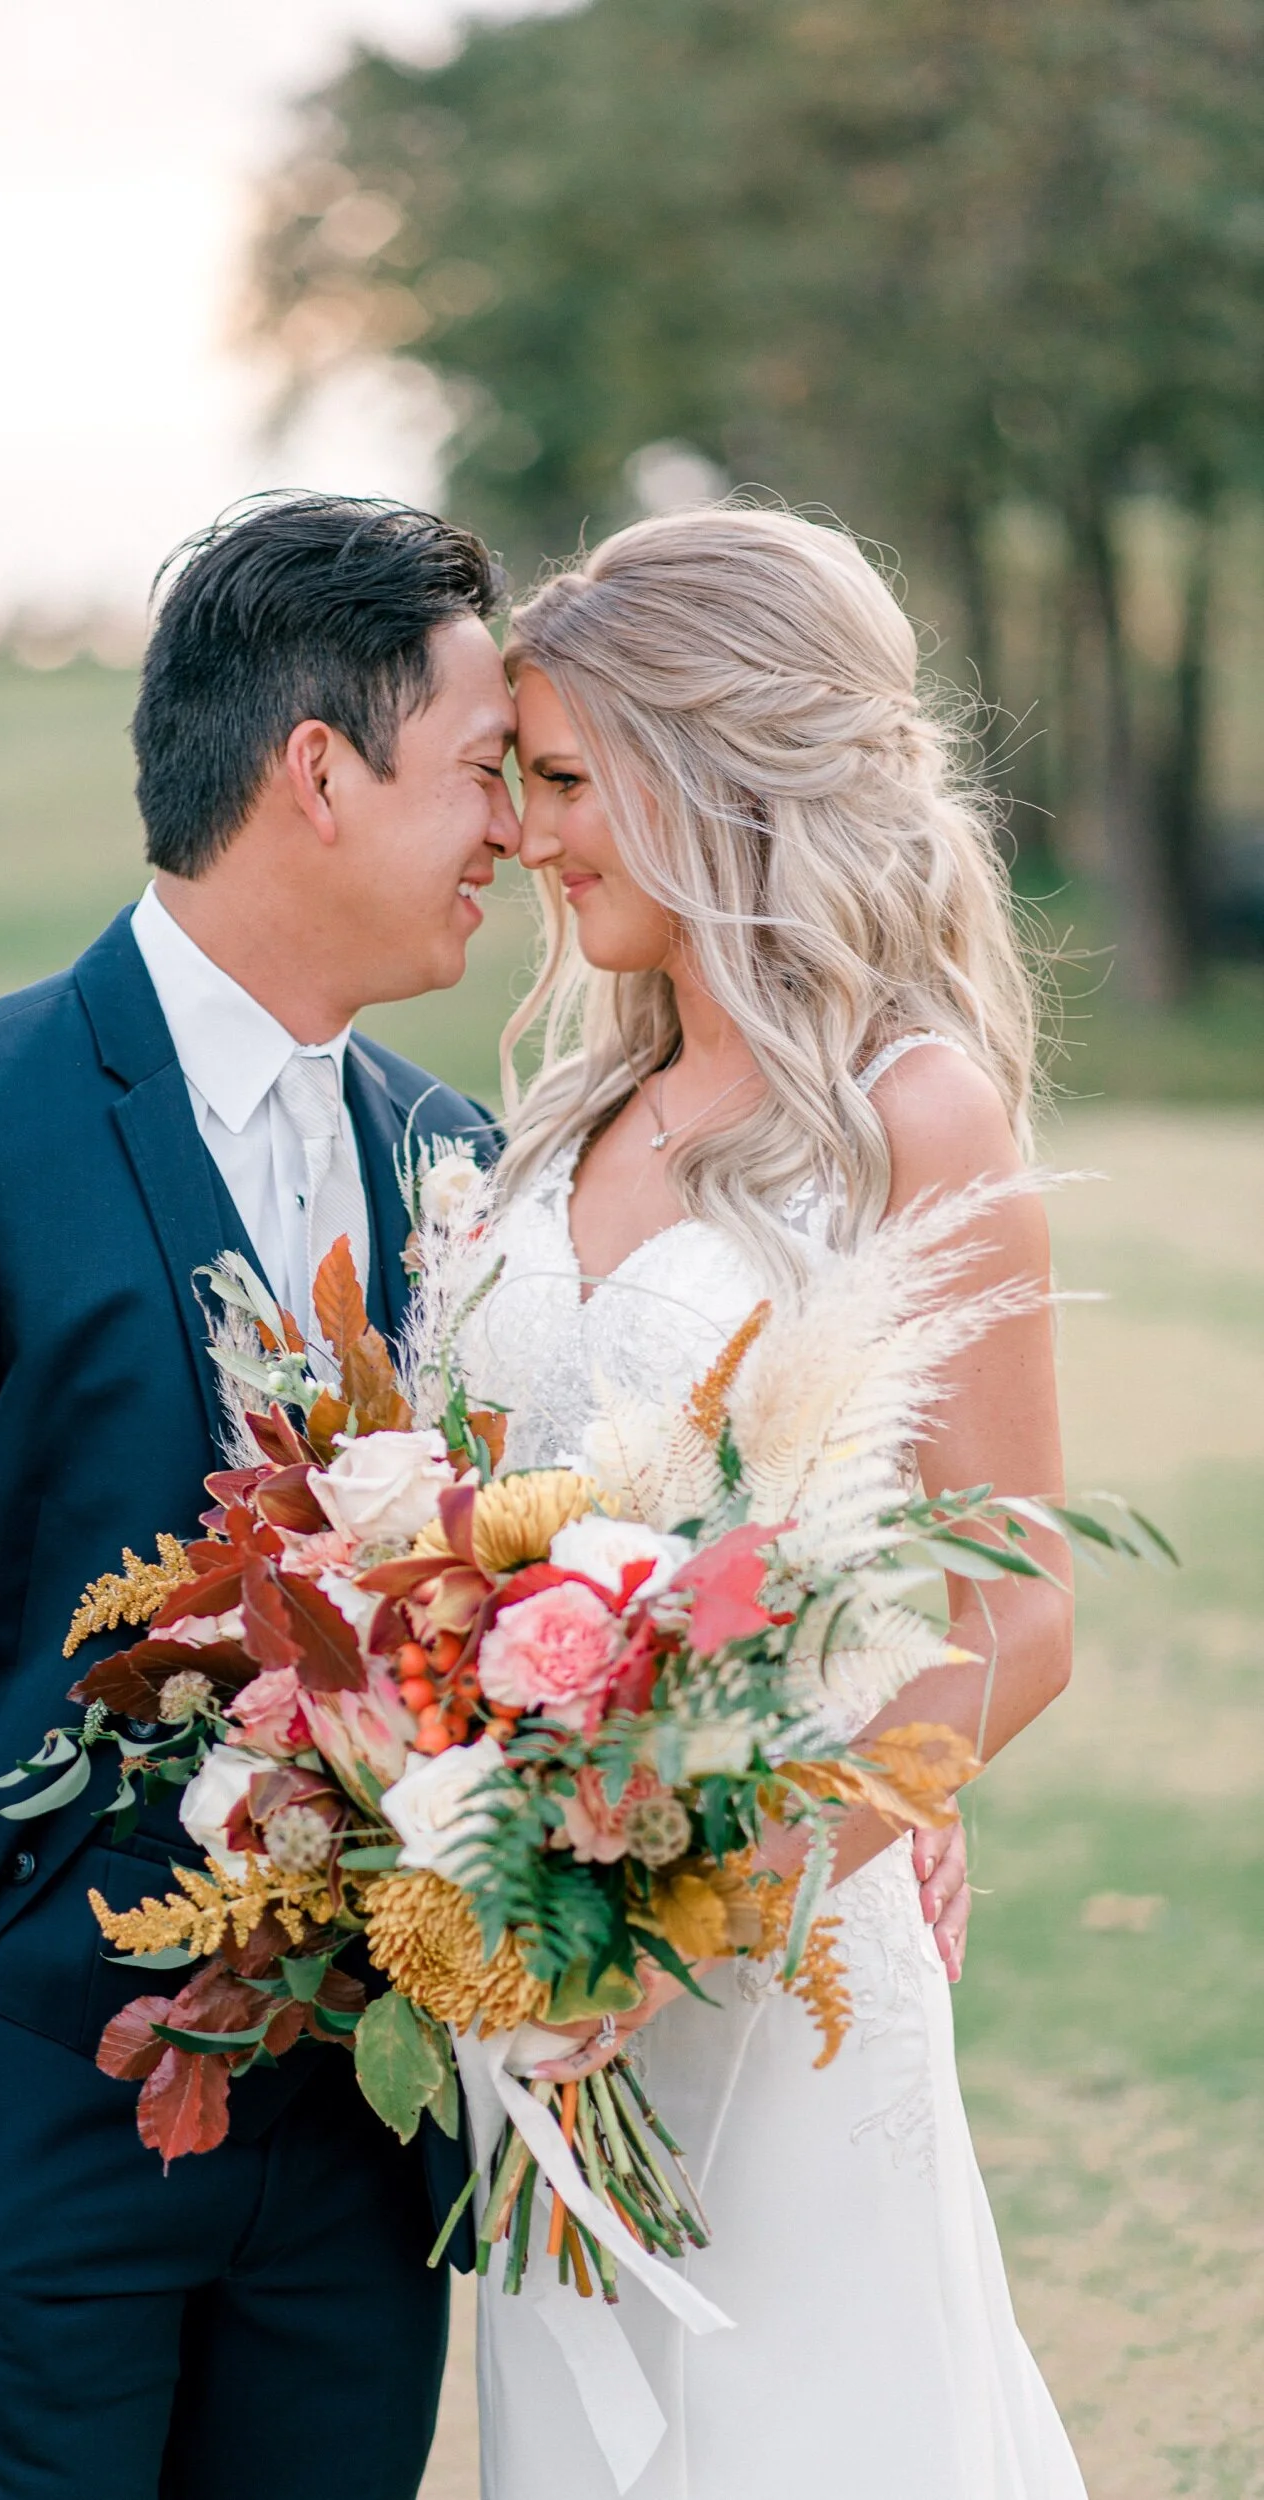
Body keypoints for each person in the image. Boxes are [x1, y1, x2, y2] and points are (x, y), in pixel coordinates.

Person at [0, 489, 968, 2500]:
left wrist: (868, 1772)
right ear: (317, 773)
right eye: (478, 772)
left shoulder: (474, 1169)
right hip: (2, 2151)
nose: (514, 831)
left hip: (362, 2163)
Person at [464, 502, 1083, 2498]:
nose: (530, 831)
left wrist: (718, 1885)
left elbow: (1022, 1609)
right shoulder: (560, 1109)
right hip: (533, 1985)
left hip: (779, 1972)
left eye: (562, 776)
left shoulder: (911, 1111)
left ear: (712, 769)